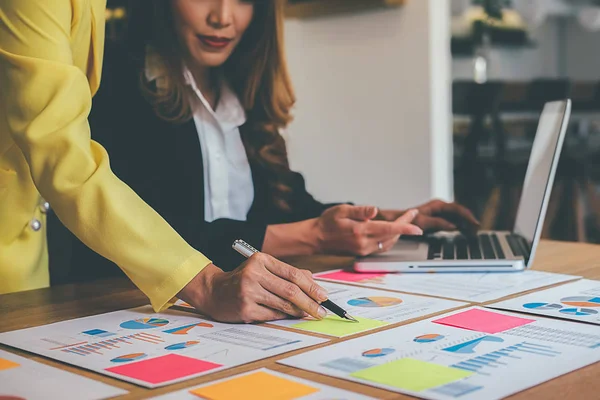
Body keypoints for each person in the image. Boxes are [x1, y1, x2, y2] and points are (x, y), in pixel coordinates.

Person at [54, 0, 479, 283]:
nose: (223, 17)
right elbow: (156, 231)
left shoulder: (239, 93)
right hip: (124, 310)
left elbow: (286, 207)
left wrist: (392, 219)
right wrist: (313, 236)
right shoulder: (116, 86)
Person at [0, 0, 346, 325]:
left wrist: (349, 222)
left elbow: (282, 197)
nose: (222, 17)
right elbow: (65, 155)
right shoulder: (126, 85)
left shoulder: (239, 89)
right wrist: (207, 283)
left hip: (35, 273)